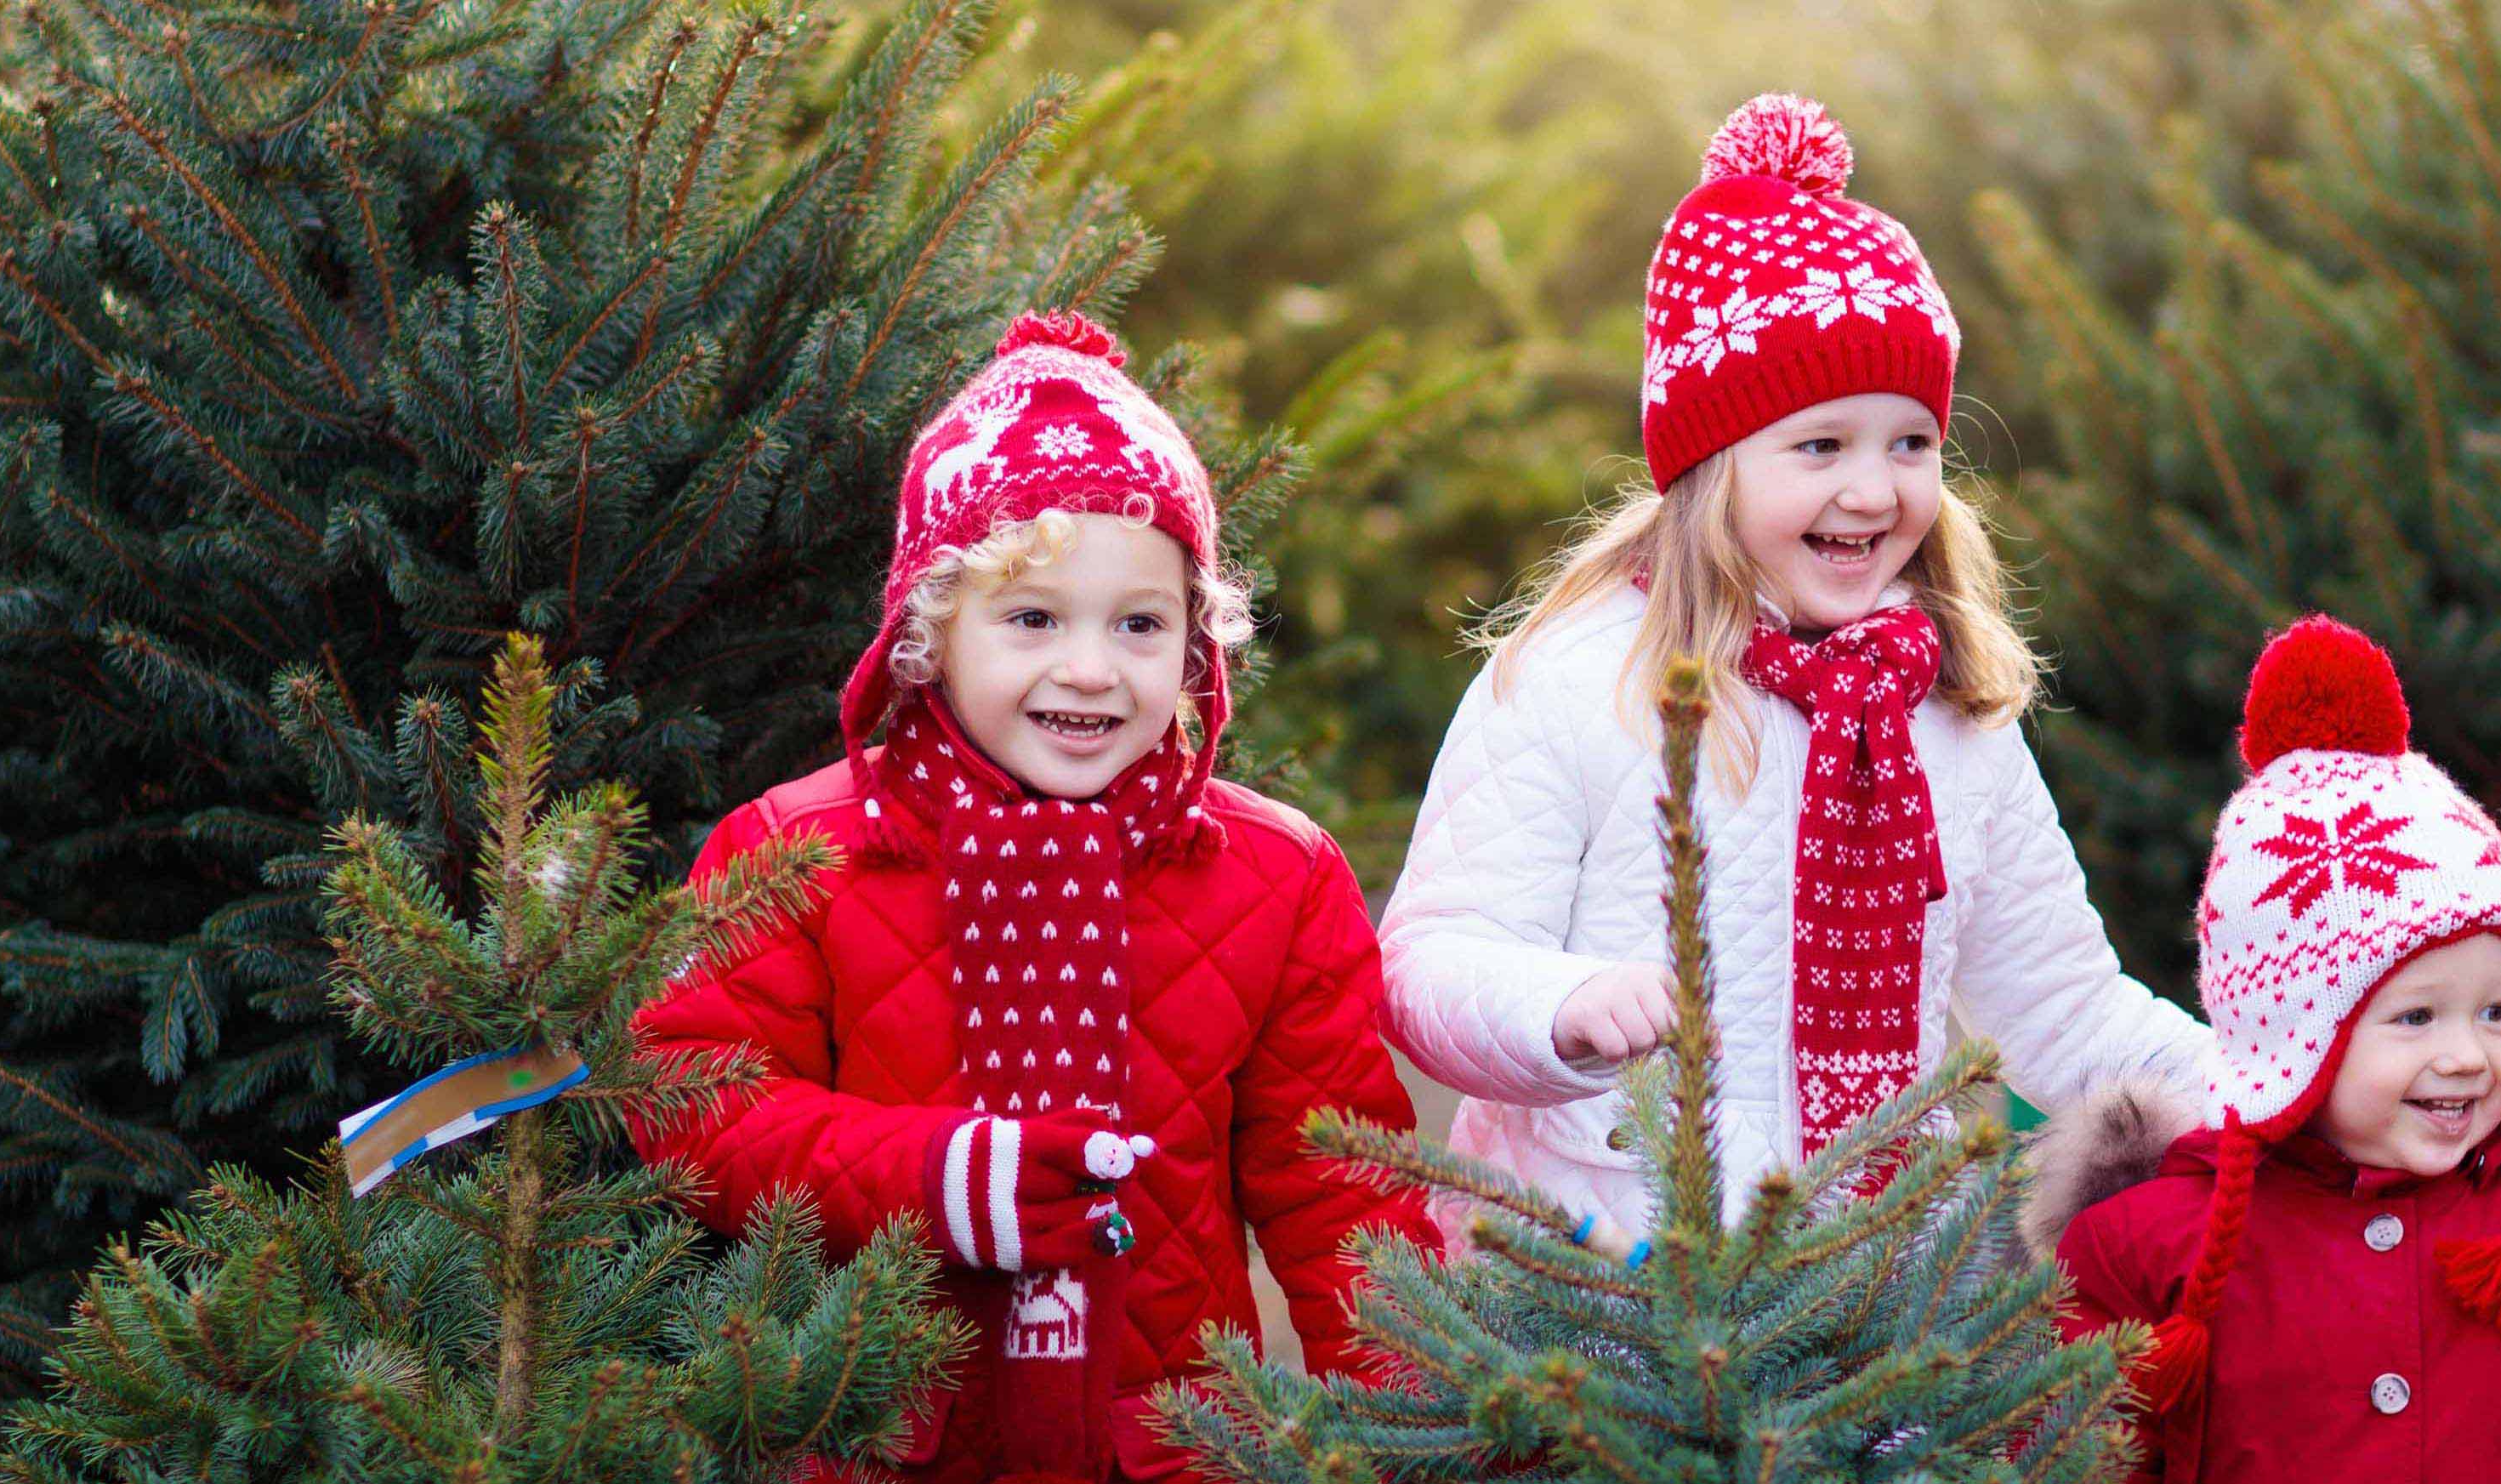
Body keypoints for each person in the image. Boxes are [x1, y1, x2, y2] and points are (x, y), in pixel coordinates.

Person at [1380, 92, 2208, 1238]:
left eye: (1910, 442)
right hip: (1614, 1302)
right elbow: (1432, 961)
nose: (1873, 490)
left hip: (1882, 1306)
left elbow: (2064, 1008)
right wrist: (1556, 1009)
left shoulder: (1948, 708)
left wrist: (2280, 1104)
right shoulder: (1577, 682)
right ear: (1711, 462)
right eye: (1820, 445)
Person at [631, 312, 1424, 1483]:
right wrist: (938, 1177)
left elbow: (1337, 1181)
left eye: (1141, 624)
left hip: (1163, 1444)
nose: (1092, 669)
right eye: (1034, 618)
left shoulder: (1275, 873)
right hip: (885, 1434)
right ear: (928, 633)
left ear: (1196, 644)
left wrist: (1417, 1417)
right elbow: (694, 1107)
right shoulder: (800, 850)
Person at [2031, 616, 2501, 1483]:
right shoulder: (2143, 1252)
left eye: (2496, 1011)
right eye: (2414, 1017)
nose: (2466, 1055)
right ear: (2293, 1037)